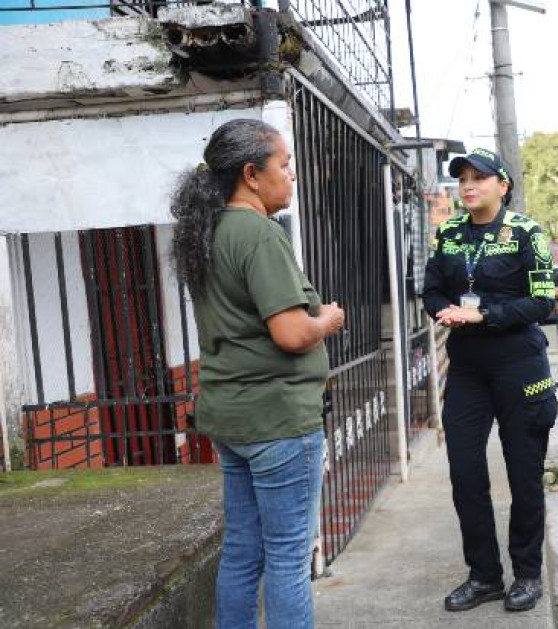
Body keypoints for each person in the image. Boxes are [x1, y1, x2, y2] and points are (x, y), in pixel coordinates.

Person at [170, 119, 345, 629]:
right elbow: (290, 333)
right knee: (289, 560)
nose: (290, 176)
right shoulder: (258, 234)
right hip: (278, 420)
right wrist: (327, 320)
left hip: (232, 418)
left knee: (244, 553)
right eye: (284, 165)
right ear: (251, 173)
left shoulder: (210, 231)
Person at [423, 147, 558, 613]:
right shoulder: (448, 233)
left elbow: (542, 301)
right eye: (462, 178)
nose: (467, 185)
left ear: (503, 185)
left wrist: (484, 315)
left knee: (524, 474)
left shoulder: (527, 233)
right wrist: (445, 311)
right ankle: (484, 576)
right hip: (466, 369)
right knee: (465, 473)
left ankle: (526, 574)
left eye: (479, 177)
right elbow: (433, 288)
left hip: (518, 365)